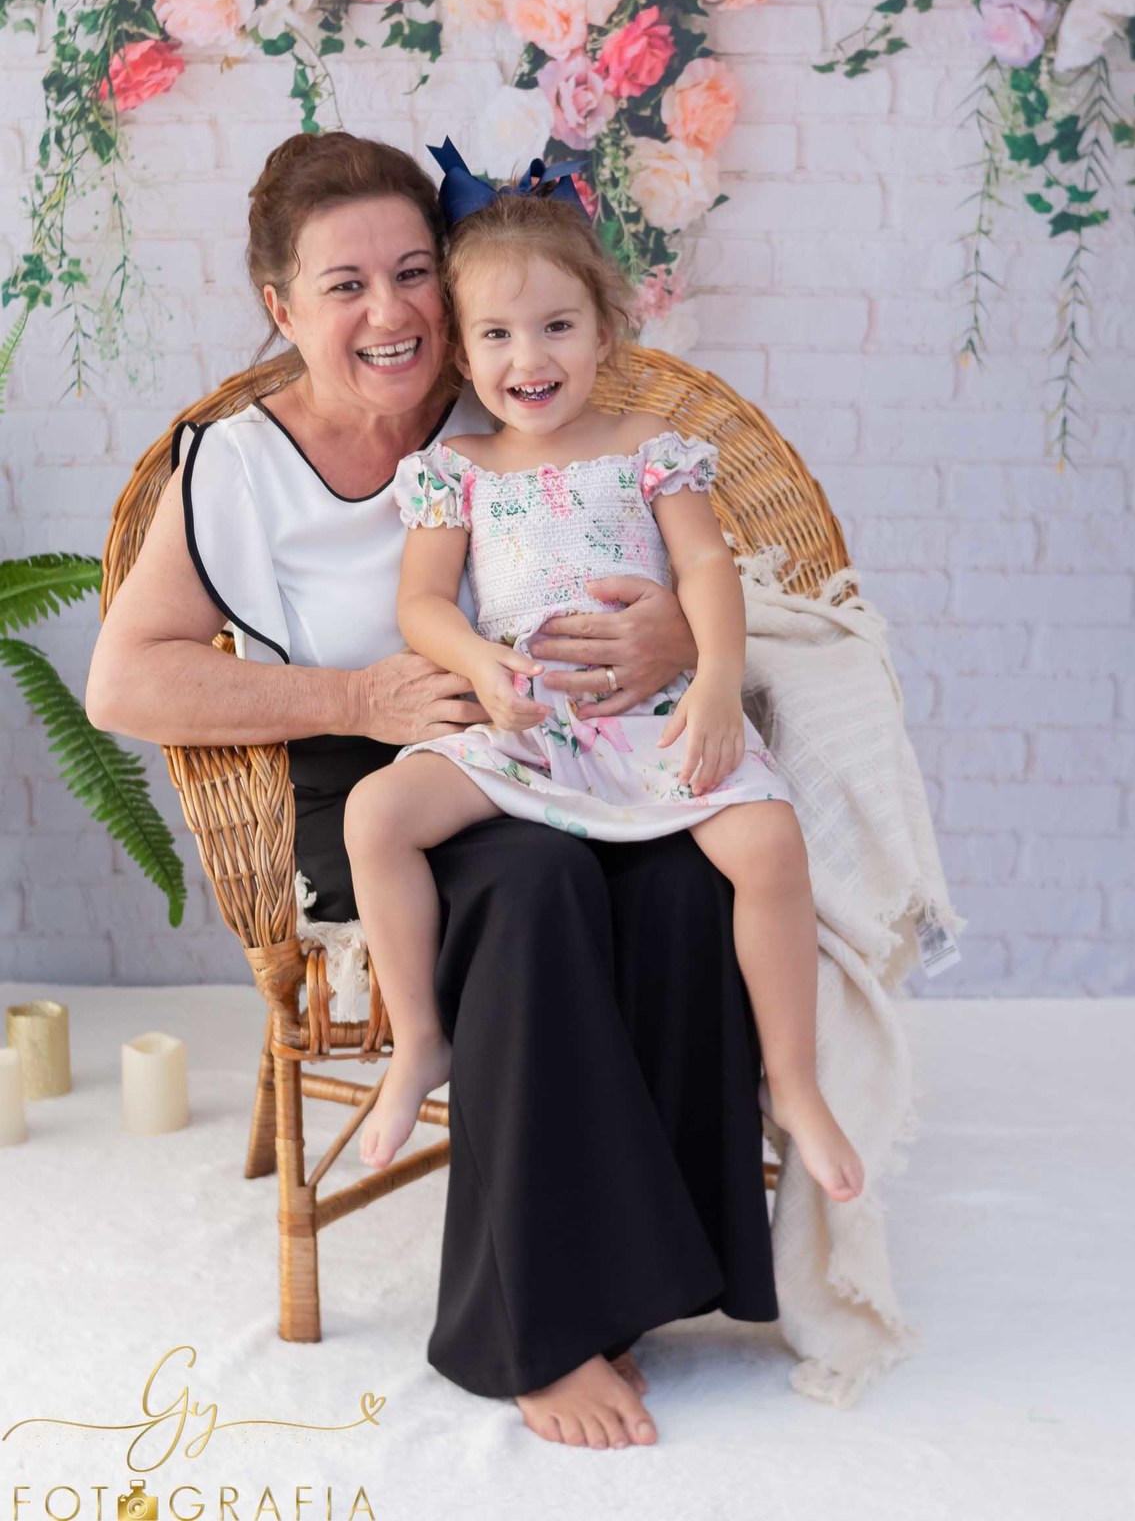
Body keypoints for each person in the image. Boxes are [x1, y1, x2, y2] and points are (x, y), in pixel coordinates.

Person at [85, 129, 780, 1451]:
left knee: (683, 881)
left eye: (413, 272)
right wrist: (360, 699)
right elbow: (124, 682)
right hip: (374, 774)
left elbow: (684, 560)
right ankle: (526, 1328)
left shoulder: (516, 391)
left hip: (570, 739)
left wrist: (675, 643)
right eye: (344, 285)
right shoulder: (235, 464)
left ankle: (659, 1274)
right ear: (281, 305)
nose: (392, 312)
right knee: (533, 889)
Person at [345, 146, 865, 1214]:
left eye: (556, 326)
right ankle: (420, 1040)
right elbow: (423, 605)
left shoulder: (648, 447)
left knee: (770, 843)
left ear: (604, 333)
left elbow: (707, 568)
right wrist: (480, 663)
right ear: (462, 351)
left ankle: (794, 1081)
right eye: (496, 334)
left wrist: (716, 684)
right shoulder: (458, 473)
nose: (528, 356)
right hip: (528, 726)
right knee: (376, 814)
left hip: (650, 718)